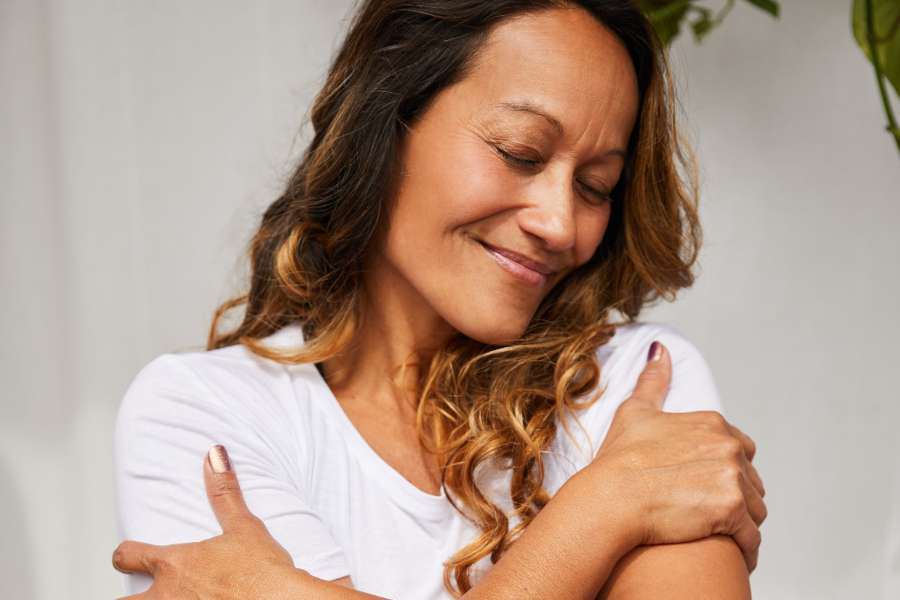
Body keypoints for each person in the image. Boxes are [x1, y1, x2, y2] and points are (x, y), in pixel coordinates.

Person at [111, 1, 767, 598]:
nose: (560, 224)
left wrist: (279, 591)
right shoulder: (205, 415)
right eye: (520, 152)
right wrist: (610, 501)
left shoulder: (636, 384)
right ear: (387, 124)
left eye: (596, 187)